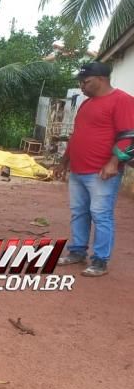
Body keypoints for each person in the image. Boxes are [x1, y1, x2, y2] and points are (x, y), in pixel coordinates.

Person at [53, 62, 134, 277]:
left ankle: (100, 260)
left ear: (101, 78)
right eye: (81, 82)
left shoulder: (122, 100)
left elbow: (129, 136)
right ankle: (77, 251)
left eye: (86, 82)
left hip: (101, 171)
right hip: (78, 170)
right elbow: (76, 135)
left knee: (101, 215)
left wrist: (114, 162)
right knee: (79, 212)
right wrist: (64, 161)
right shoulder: (86, 104)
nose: (82, 86)